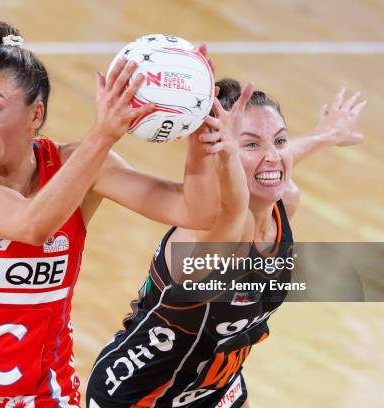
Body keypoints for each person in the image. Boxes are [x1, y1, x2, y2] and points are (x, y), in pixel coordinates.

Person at [0, 21, 226, 408]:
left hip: (48, 396)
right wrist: (103, 134)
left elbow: (196, 211)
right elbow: (31, 225)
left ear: (35, 115)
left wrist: (198, 135)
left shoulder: (79, 166)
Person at [86, 79, 366, 408]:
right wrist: (220, 151)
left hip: (214, 386)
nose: (273, 156)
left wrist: (325, 136)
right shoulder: (210, 229)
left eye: (279, 140)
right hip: (140, 396)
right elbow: (234, 205)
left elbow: (274, 164)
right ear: (218, 152)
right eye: (250, 145)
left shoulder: (283, 204)